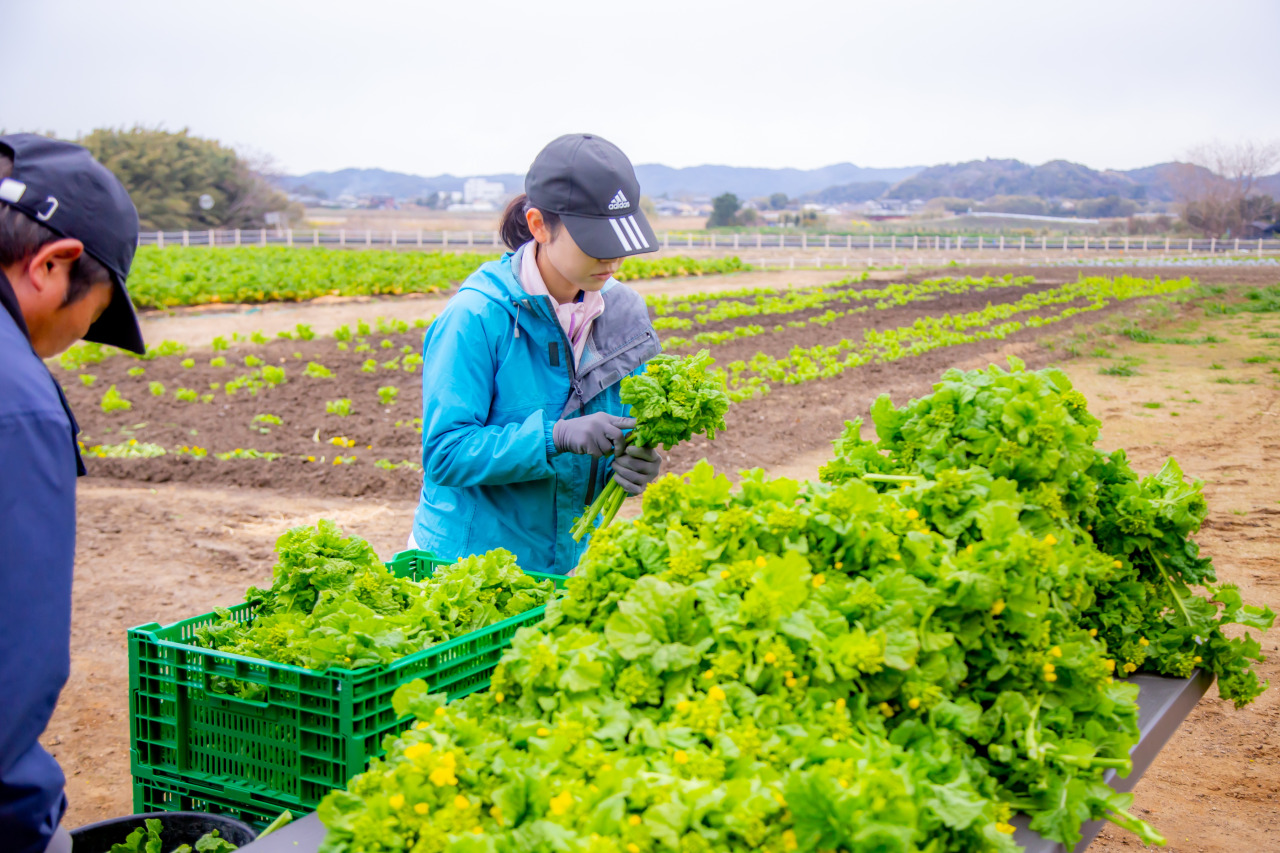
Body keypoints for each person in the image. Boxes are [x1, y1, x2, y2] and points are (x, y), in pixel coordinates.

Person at [411, 134, 664, 574]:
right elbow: (445, 454)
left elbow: (618, 434)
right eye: (595, 241)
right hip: (468, 569)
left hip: (568, 563)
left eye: (621, 244)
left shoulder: (624, 314)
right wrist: (554, 437)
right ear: (539, 226)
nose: (612, 260)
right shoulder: (478, 316)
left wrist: (627, 466)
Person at [0, 134, 145, 853]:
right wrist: (32, 825)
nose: (83, 333)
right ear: (52, 265)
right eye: (96, 312)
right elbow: (10, 673)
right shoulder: (16, 401)